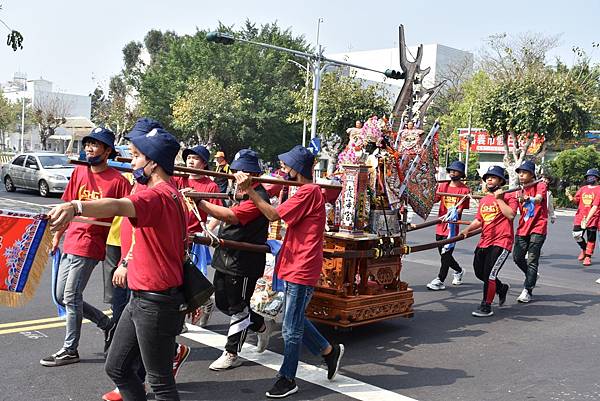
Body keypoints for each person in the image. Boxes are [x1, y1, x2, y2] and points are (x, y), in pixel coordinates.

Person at [48, 123, 188, 400]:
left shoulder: (156, 196)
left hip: (155, 302)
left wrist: (76, 206)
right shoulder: (163, 191)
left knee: (161, 385)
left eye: (136, 155)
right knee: (117, 368)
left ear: (154, 162)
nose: (132, 161)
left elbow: (117, 205)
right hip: (141, 297)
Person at [235, 145, 344, 399]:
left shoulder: (308, 191)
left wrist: (250, 188)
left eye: (286, 166)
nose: (283, 169)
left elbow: (272, 215)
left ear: (296, 169)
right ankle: (329, 352)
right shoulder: (304, 191)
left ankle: (287, 378)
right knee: (294, 320)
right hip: (295, 262)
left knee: (291, 328)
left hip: (302, 266)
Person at [41, 127, 131, 367]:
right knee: (61, 297)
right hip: (70, 240)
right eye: (87, 144)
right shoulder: (79, 172)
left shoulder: (119, 181)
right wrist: (57, 237)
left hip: (91, 244)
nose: (89, 148)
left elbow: (131, 217)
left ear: (108, 151)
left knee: (71, 296)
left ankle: (70, 349)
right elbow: (65, 209)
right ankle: (105, 323)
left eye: (95, 144)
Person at [196, 149, 274, 370]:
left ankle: (232, 352)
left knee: (238, 307)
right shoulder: (240, 191)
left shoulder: (259, 196)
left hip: (244, 261)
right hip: (226, 254)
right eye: (235, 171)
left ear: (250, 174)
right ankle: (259, 325)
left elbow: (231, 216)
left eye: (240, 172)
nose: (236, 175)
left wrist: (200, 202)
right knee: (223, 302)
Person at [460, 165, 518, 317]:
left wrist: (499, 199)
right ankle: (501, 288)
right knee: (480, 272)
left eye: (493, 177)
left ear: (500, 180)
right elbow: (480, 220)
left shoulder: (509, 197)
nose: (489, 179)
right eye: (487, 177)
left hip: (501, 242)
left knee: (489, 274)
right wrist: (467, 230)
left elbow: (511, 215)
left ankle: (486, 305)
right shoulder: (485, 199)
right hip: (484, 241)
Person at [174, 145, 222, 328]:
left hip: (195, 239)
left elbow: (219, 214)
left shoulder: (211, 185)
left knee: (191, 279)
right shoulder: (179, 179)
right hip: (176, 236)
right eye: (189, 158)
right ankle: (181, 318)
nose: (190, 161)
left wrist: (206, 230)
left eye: (195, 158)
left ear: (203, 163)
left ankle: (204, 303)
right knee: (176, 279)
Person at [427, 160, 470, 290]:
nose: (452, 172)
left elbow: (460, 209)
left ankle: (440, 279)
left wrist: (452, 214)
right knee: (443, 253)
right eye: (451, 170)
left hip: (451, 226)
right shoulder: (443, 186)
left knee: (446, 254)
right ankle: (458, 270)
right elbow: (434, 199)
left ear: (461, 173)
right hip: (440, 224)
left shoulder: (464, 190)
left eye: (455, 171)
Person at [512, 161, 548, 303]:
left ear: (532, 174)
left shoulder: (540, 185)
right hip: (523, 228)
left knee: (532, 260)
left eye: (524, 172)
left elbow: (539, 199)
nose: (521, 175)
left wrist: (530, 199)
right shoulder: (518, 189)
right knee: (517, 257)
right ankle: (531, 275)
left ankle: (528, 289)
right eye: (519, 172)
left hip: (538, 228)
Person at [566, 169, 600, 266]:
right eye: (588, 177)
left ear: (597, 178)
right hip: (580, 216)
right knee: (576, 235)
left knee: (591, 237)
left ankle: (588, 256)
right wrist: (571, 197)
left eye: (592, 176)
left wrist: (587, 219)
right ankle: (584, 249)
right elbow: (577, 200)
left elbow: (595, 206)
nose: (589, 178)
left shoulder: (599, 189)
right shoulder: (583, 188)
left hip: (593, 218)